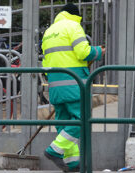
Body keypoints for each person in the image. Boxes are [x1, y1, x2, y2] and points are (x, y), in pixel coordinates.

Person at [41, 3, 105, 172]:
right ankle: (54, 150)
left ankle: (73, 164)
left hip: (55, 86)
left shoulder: (49, 32)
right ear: (76, 16)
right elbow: (83, 52)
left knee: (64, 124)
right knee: (81, 119)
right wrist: (98, 51)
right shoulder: (73, 26)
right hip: (74, 84)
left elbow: (46, 63)